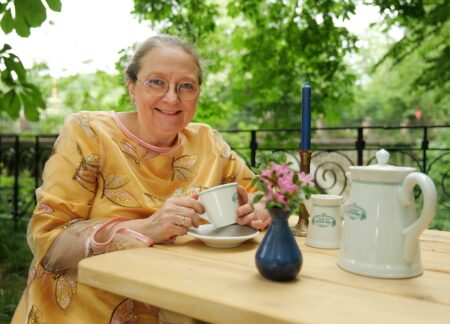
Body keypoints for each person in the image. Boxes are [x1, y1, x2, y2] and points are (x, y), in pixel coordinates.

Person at [12, 34, 270, 324]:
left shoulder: (207, 141)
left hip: (184, 298)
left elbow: (262, 193)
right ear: (132, 87)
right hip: (87, 307)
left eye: (186, 86)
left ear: (197, 94)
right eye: (156, 82)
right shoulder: (89, 133)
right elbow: (48, 239)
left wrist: (256, 211)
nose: (172, 97)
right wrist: (147, 227)